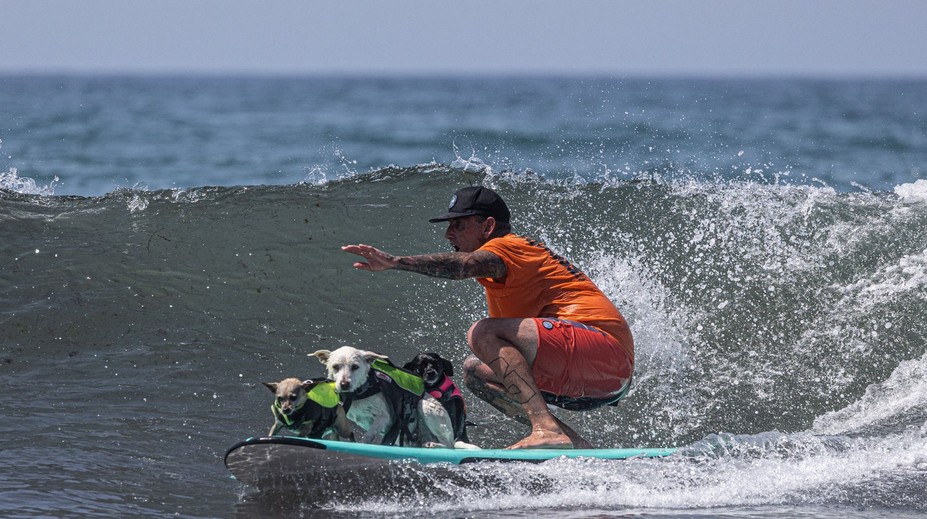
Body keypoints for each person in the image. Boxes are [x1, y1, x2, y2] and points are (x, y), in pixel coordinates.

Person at [342, 186, 633, 449]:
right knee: (475, 373)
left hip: (604, 352)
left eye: (458, 225)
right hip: (595, 379)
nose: (448, 235)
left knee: (482, 332)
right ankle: (574, 443)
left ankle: (545, 429)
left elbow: (464, 265)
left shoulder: (509, 247)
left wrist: (397, 262)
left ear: (488, 226)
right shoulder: (507, 282)